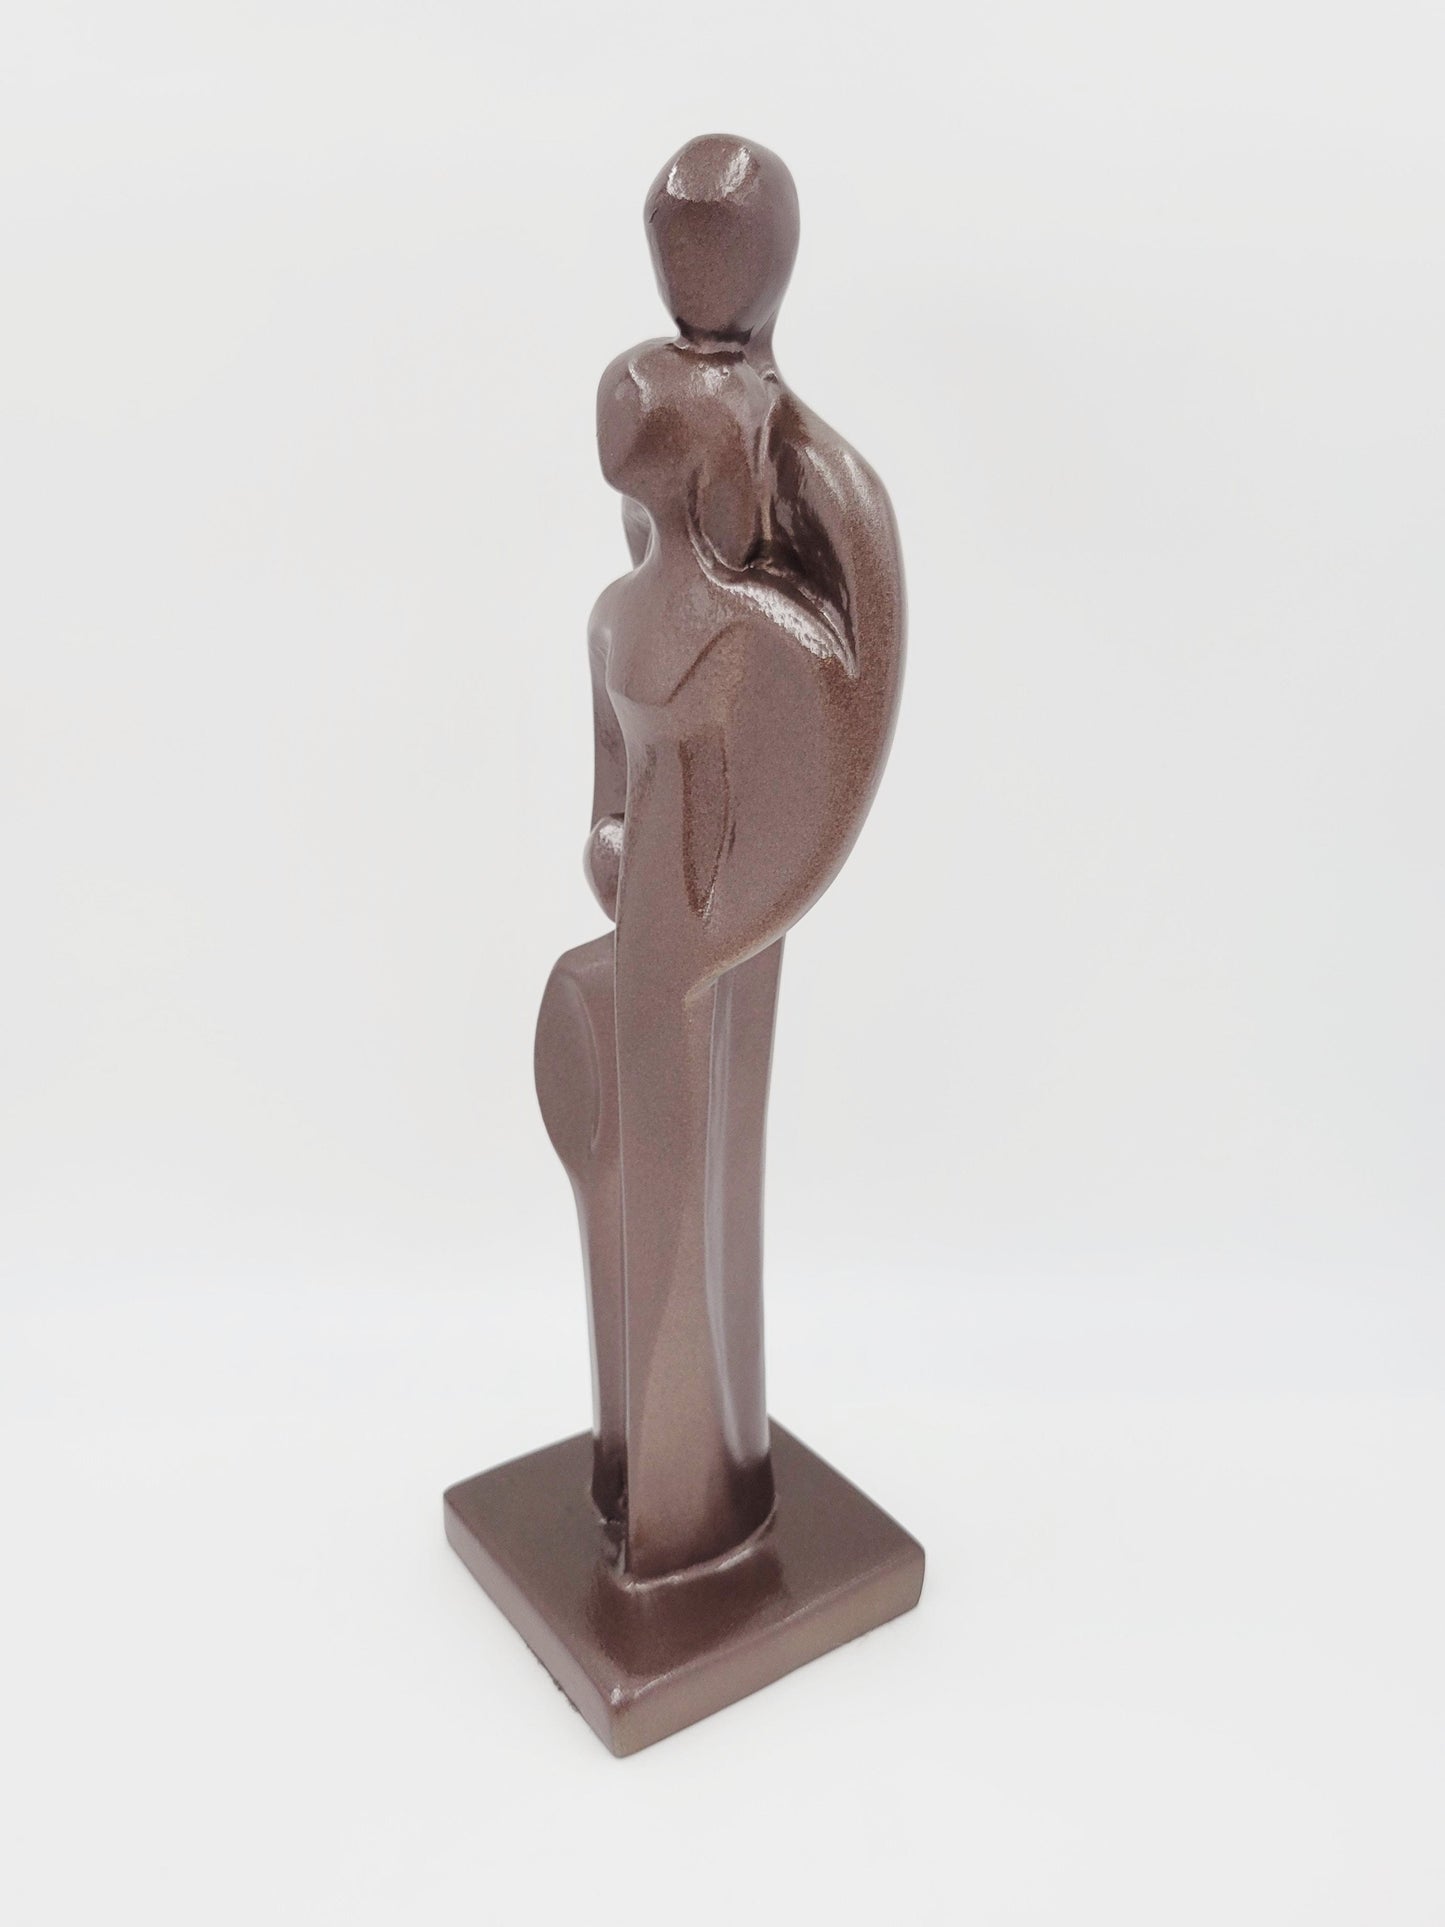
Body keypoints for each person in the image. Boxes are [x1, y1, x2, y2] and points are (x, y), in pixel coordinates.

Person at [535, 135, 906, 1581]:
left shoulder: (780, 571)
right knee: (650, 1149)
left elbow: (845, 687)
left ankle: (690, 1497)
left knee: (689, 1151)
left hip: (708, 903)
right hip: (661, 901)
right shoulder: (619, 622)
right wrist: (616, 838)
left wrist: (727, 892)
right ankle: (655, 1482)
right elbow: (606, 768)